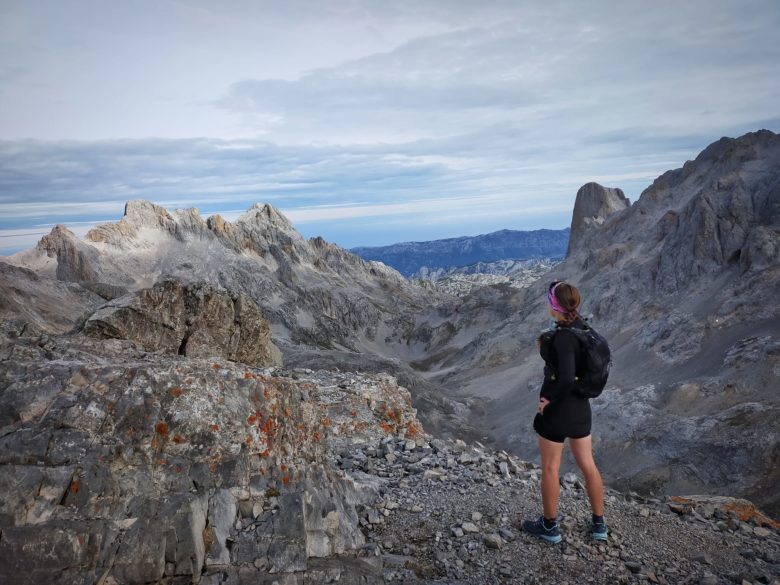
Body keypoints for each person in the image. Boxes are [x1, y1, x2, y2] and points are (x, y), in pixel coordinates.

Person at [521, 281, 607, 543]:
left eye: (549, 300)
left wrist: (548, 402)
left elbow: (567, 377)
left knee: (550, 467)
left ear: (554, 305)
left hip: (559, 410)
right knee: (588, 466)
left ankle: (549, 527)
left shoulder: (564, 337)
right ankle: (599, 525)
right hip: (581, 408)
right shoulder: (585, 330)